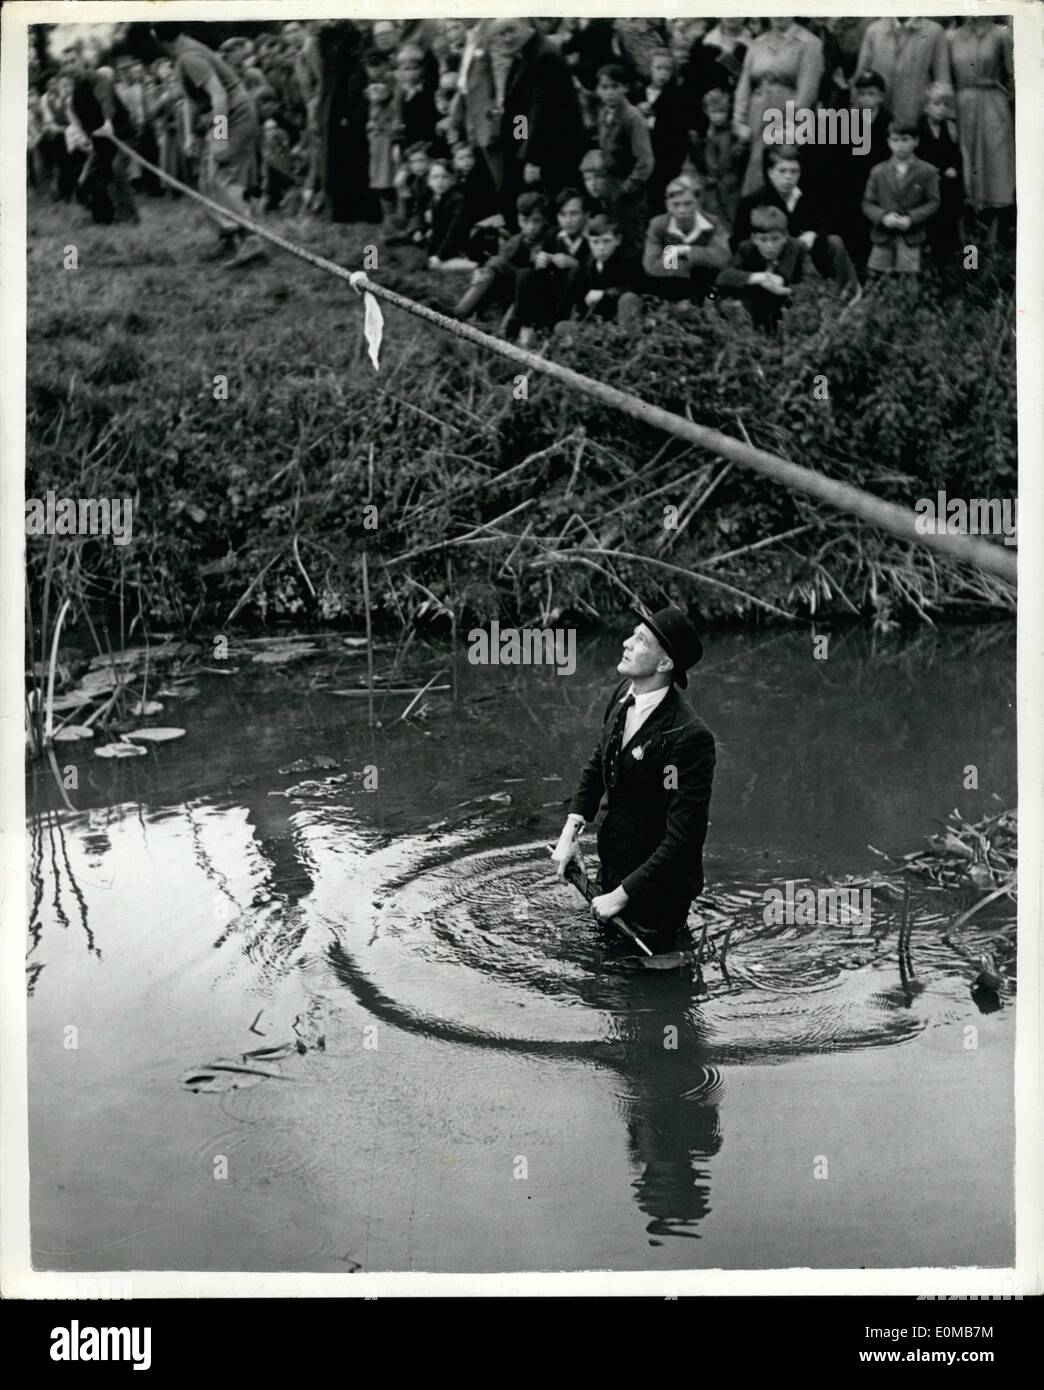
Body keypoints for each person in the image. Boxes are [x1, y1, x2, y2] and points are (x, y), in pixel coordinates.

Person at [551, 605, 715, 959]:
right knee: (609, 985)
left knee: (652, 987)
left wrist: (622, 895)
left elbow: (684, 841)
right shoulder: (624, 693)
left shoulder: (690, 736)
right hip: (613, 870)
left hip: (658, 894)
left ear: (665, 664)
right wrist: (570, 834)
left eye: (640, 640)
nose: (626, 642)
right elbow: (599, 762)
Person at [152, 21, 266, 264]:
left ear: (157, 38)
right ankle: (228, 238)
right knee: (207, 179)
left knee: (223, 177)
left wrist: (221, 136)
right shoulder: (183, 55)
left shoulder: (190, 56)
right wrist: (191, 135)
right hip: (225, 115)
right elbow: (192, 100)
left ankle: (251, 241)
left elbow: (219, 95)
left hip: (236, 115)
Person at [733, 145, 858, 297]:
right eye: (782, 171)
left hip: (801, 253)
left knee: (834, 242)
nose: (788, 177)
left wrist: (813, 234)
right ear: (771, 173)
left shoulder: (805, 196)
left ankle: (849, 293)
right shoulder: (753, 201)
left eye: (793, 172)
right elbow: (738, 241)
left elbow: (822, 223)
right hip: (768, 256)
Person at [732, 18, 824, 196]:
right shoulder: (758, 42)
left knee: (779, 169)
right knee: (753, 170)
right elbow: (744, 85)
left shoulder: (809, 43)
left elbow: (807, 90)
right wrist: (739, 120)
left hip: (786, 117)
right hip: (756, 114)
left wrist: (789, 126)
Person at [948, 17, 1014, 237]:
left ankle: (993, 237)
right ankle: (966, 238)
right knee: (965, 161)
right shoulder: (952, 37)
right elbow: (946, 77)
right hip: (961, 106)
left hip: (992, 105)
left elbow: (1012, 75)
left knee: (993, 163)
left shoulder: (1000, 35)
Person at [59, 48, 139, 226]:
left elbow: (106, 102)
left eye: (73, 61)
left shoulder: (98, 79)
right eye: (65, 64)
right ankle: (104, 218)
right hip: (101, 142)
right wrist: (87, 139)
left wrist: (108, 122)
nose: (70, 66)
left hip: (122, 135)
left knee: (118, 169)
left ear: (81, 61)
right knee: (85, 182)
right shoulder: (74, 98)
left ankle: (130, 218)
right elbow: (84, 125)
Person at [862, 122, 941, 276]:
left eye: (905, 140)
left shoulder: (927, 171)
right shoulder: (879, 171)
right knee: (877, 276)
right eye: (895, 140)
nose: (900, 145)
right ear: (889, 142)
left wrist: (911, 218)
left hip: (911, 236)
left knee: (907, 279)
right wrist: (883, 217)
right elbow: (867, 203)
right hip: (883, 235)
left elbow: (933, 202)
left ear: (915, 142)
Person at [716, 202, 808, 331]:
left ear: (785, 237)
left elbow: (812, 286)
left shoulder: (799, 248)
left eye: (775, 239)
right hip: (755, 305)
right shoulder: (746, 248)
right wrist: (759, 277)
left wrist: (786, 290)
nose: (769, 246)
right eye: (763, 240)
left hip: (788, 307)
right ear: (754, 238)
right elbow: (723, 276)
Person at [642, 174, 730, 304]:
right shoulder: (658, 225)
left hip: (706, 293)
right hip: (670, 291)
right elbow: (652, 265)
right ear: (668, 205)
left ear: (697, 203)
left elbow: (722, 257)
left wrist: (684, 250)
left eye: (688, 204)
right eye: (676, 204)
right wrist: (696, 268)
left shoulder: (712, 224)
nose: (682, 210)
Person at [595, 63, 654, 252]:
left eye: (615, 87)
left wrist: (628, 187)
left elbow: (645, 160)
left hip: (628, 189)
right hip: (611, 185)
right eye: (605, 87)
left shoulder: (633, 117)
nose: (610, 92)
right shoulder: (604, 113)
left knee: (633, 237)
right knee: (613, 236)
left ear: (625, 88)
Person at [856, 15, 952, 127]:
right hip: (878, 113)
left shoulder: (934, 31)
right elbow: (861, 75)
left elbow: (943, 79)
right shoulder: (874, 30)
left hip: (916, 111)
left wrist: (944, 119)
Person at [915, 82, 964, 269]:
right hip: (926, 184)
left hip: (947, 186)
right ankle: (928, 257)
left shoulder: (950, 129)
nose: (942, 109)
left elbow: (956, 156)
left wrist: (953, 169)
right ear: (927, 106)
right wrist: (939, 171)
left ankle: (948, 259)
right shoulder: (919, 129)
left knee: (949, 216)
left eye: (946, 105)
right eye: (937, 104)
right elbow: (918, 158)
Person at [568, 214, 643, 329]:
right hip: (597, 322)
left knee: (629, 298)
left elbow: (637, 288)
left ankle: (623, 339)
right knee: (562, 327)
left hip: (620, 318)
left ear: (618, 240)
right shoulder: (588, 265)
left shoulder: (630, 260)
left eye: (606, 241)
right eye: (595, 242)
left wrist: (605, 294)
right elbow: (578, 301)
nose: (601, 248)